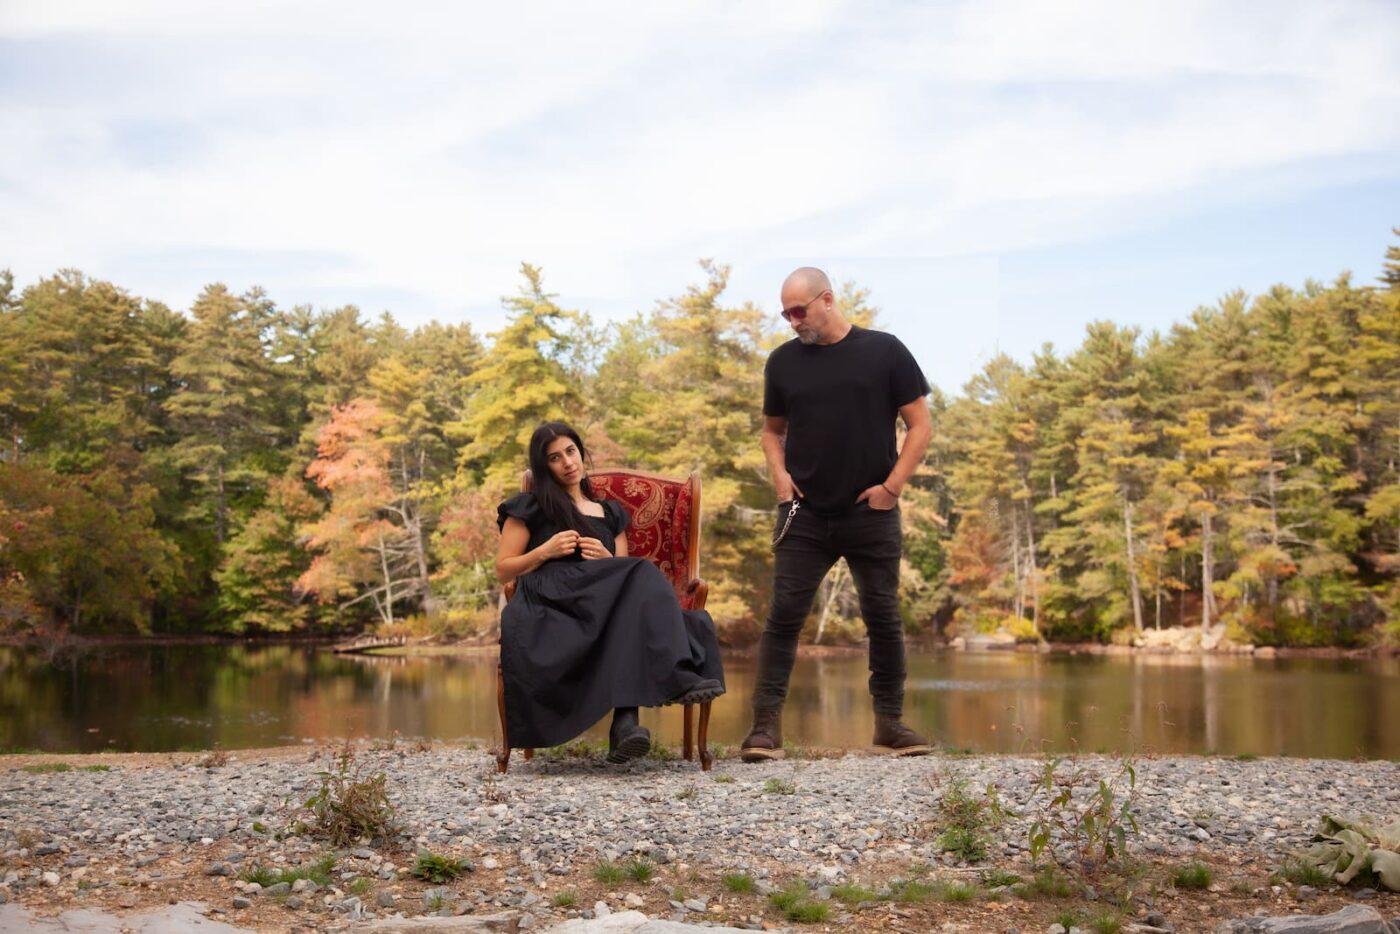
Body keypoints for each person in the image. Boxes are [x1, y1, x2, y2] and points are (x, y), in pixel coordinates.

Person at [741, 267, 934, 762]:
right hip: (803, 515)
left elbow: (920, 426)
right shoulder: (782, 362)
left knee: (884, 618)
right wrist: (781, 478)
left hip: (870, 511)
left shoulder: (885, 351)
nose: (791, 320)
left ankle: (890, 725)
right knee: (783, 619)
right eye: (784, 312)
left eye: (798, 310)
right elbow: (771, 431)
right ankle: (765, 729)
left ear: (827, 300)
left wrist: (892, 488)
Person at [496, 421, 725, 764]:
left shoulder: (611, 512)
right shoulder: (529, 506)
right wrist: (545, 551)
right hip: (555, 597)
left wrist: (606, 558)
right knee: (645, 578)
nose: (567, 462)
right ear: (545, 466)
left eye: (571, 451)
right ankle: (675, 675)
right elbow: (503, 568)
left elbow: (622, 567)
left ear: (581, 452)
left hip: (603, 596)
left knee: (651, 592)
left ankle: (625, 724)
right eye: (555, 458)